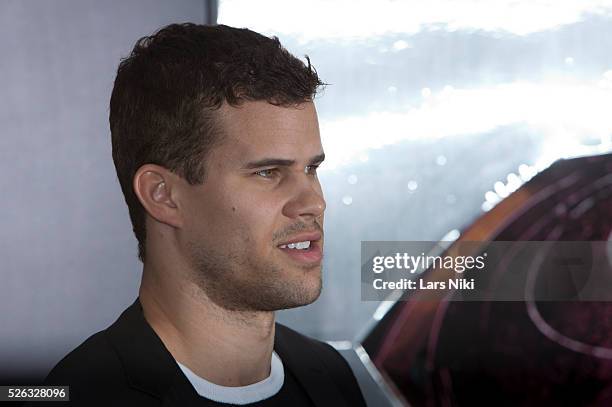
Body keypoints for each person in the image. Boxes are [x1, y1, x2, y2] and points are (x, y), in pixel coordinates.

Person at [41, 23, 367, 406]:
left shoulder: (329, 377)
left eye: (311, 169)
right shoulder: (79, 396)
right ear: (163, 195)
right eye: (267, 172)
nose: (313, 202)